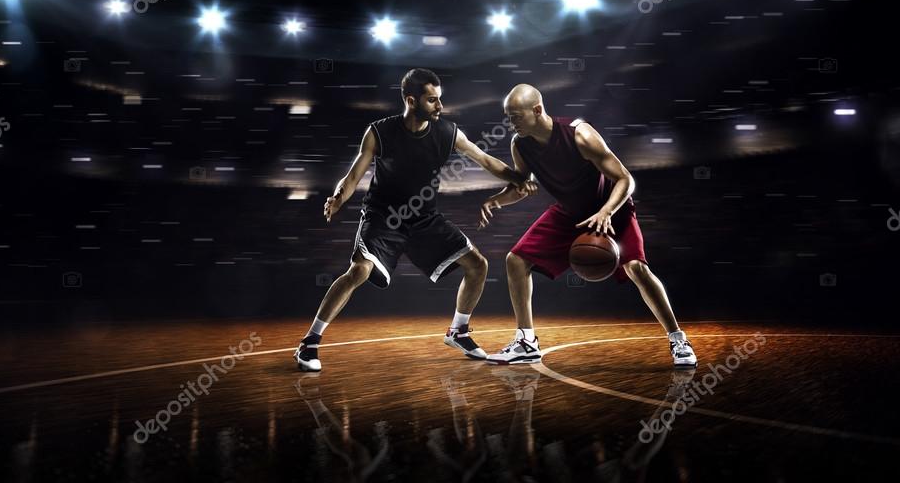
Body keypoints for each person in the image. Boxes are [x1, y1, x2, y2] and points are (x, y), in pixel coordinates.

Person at [294, 69, 535, 372]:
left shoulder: (447, 132)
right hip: (384, 217)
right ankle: (309, 343)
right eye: (432, 100)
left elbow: (485, 160)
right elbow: (354, 174)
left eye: (440, 99)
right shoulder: (379, 132)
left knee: (478, 265)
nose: (439, 106)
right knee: (358, 271)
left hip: (424, 218)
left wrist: (518, 177)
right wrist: (338, 198)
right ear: (411, 100)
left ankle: (458, 332)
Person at [479, 84, 697, 366]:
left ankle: (678, 340)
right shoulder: (520, 144)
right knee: (515, 261)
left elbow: (625, 180)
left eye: (516, 116)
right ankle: (526, 342)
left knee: (637, 268)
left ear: (537, 110)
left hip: (611, 208)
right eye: (508, 117)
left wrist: (606, 211)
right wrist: (496, 200)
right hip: (570, 213)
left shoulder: (580, 135)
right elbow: (522, 186)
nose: (511, 123)